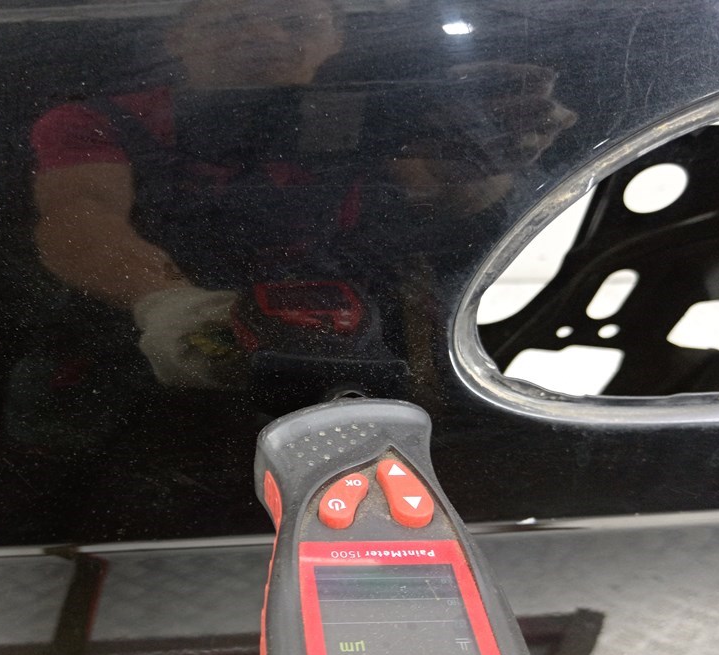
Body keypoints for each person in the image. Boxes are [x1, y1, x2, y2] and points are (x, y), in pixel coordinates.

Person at [29, 0, 576, 389]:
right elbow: (80, 213)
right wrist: (165, 303)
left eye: (295, 21)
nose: (264, 35)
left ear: (335, 36)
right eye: (232, 20)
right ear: (177, 37)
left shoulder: (375, 114)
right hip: (149, 350)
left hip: (350, 349)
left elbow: (442, 193)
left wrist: (494, 151)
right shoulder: (103, 121)